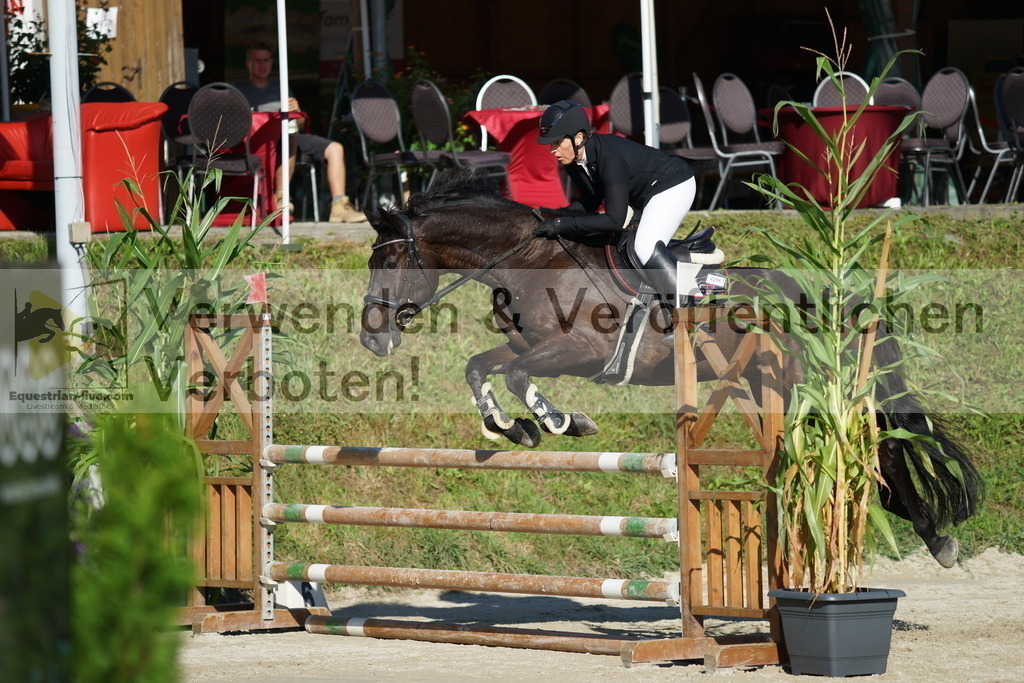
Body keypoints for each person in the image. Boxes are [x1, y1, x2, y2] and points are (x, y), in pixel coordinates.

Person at [533, 100, 697, 300]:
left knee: (644, 247)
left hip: (674, 185)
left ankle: (688, 309)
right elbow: (590, 202)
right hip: (646, 192)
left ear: (578, 138)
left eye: (557, 142)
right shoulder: (574, 159)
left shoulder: (610, 160)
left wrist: (561, 224)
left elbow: (614, 220)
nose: (552, 149)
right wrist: (554, 217)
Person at [233, 41, 364, 223]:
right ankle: (281, 198)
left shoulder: (281, 87)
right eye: (257, 61)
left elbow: (299, 125)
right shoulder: (238, 90)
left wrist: (297, 111)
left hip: (289, 136)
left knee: (335, 148)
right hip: (258, 142)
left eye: (266, 60)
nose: (262, 65)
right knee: (290, 142)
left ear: (271, 63)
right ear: (248, 63)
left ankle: (339, 206)